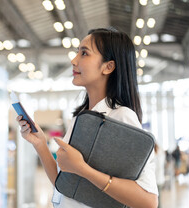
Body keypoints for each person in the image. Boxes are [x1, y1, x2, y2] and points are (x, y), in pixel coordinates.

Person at [16, 28, 158, 208]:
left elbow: (149, 201)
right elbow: (66, 186)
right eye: (77, 53)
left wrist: (83, 169)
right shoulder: (81, 119)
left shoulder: (122, 116)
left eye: (84, 53)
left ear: (109, 66)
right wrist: (40, 144)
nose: (74, 60)